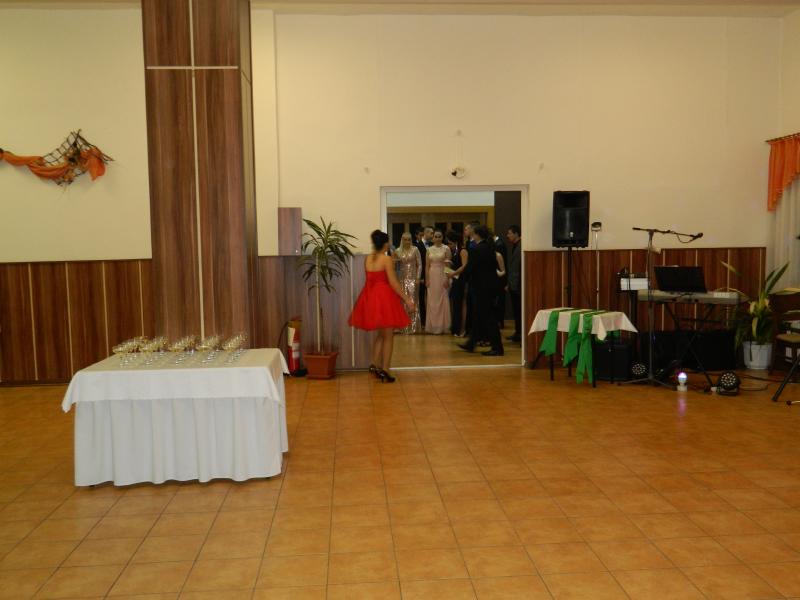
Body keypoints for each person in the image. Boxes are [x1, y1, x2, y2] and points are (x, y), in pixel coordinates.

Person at [349, 230, 415, 382]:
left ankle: (374, 364)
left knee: (381, 334)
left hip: (370, 297)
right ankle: (385, 370)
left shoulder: (368, 259)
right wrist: (407, 299)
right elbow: (393, 283)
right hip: (384, 298)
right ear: (385, 244)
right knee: (388, 337)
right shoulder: (386, 259)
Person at [458, 225, 504, 356]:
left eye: (473, 233)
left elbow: (470, 268)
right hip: (490, 286)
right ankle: (471, 344)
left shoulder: (476, 249)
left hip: (481, 288)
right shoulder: (490, 247)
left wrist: (460, 280)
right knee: (479, 316)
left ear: (477, 235)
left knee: (488, 317)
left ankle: (497, 348)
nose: (472, 236)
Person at [392, 232, 422, 334]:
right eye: (405, 239)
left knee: (412, 301)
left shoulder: (415, 249)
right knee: (402, 302)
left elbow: (420, 264)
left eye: (409, 239)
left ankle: (413, 327)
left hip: (413, 279)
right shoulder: (397, 251)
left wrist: (418, 277)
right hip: (401, 279)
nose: (407, 241)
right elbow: (394, 266)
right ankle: (403, 326)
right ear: (402, 240)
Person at [425, 230, 452, 334]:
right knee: (432, 301)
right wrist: (427, 279)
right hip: (432, 275)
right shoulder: (429, 249)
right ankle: (433, 326)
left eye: (439, 236)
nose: (437, 238)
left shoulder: (446, 248)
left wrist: (447, 278)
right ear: (433, 238)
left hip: (442, 274)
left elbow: (448, 265)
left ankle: (443, 326)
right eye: (435, 236)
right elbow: (427, 266)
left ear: (442, 237)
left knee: (443, 299)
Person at [445, 230, 468, 336]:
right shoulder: (455, 251)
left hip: (462, 280)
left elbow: (464, 266)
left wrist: (453, 273)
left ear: (456, 242)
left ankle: (462, 329)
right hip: (456, 279)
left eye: (450, 243)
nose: (449, 246)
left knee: (460, 304)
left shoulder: (463, 251)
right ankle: (456, 328)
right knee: (455, 304)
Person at [506, 225, 522, 342]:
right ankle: (517, 332)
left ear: (516, 234)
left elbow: (518, 269)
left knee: (519, 311)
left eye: (509, 233)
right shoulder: (515, 246)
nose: (508, 236)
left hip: (518, 286)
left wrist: (514, 284)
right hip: (513, 285)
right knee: (516, 311)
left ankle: (520, 333)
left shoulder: (521, 246)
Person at [413, 227, 428, 327]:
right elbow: (418, 264)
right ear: (417, 236)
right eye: (420, 235)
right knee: (420, 298)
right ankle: (422, 320)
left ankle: (427, 320)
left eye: (423, 235)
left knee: (428, 299)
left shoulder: (429, 244)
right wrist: (420, 277)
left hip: (429, 275)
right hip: (420, 276)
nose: (422, 237)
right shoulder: (415, 246)